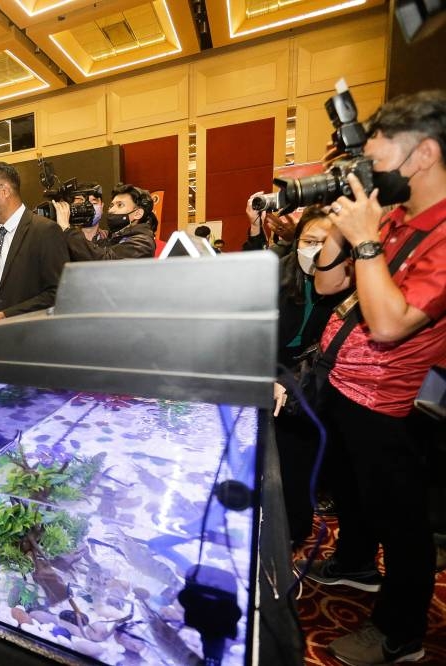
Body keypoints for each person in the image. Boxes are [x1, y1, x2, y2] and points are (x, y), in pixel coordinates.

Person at [302, 89, 446, 666]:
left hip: (394, 406)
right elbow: (329, 286)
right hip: (345, 387)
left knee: (403, 524)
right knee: (357, 498)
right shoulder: (398, 216)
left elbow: (388, 324)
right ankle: (356, 564)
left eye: (378, 163)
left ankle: (399, 631)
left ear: (424, 155)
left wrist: (364, 237)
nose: (372, 174)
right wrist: (342, 230)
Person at [268, 206, 348, 546]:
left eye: (325, 243)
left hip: (313, 373)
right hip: (269, 365)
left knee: (298, 456)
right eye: (309, 240)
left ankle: (293, 532)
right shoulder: (273, 275)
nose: (316, 250)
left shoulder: (344, 280)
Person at [0, 162, 68, 329]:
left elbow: (57, 294)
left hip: (27, 341)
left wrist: (5, 316)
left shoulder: (45, 231)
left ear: (4, 191)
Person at [57, 183, 156, 261]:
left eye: (120, 205)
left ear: (138, 214)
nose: (112, 210)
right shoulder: (111, 238)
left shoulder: (142, 242)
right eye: (111, 205)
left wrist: (67, 230)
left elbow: (105, 261)